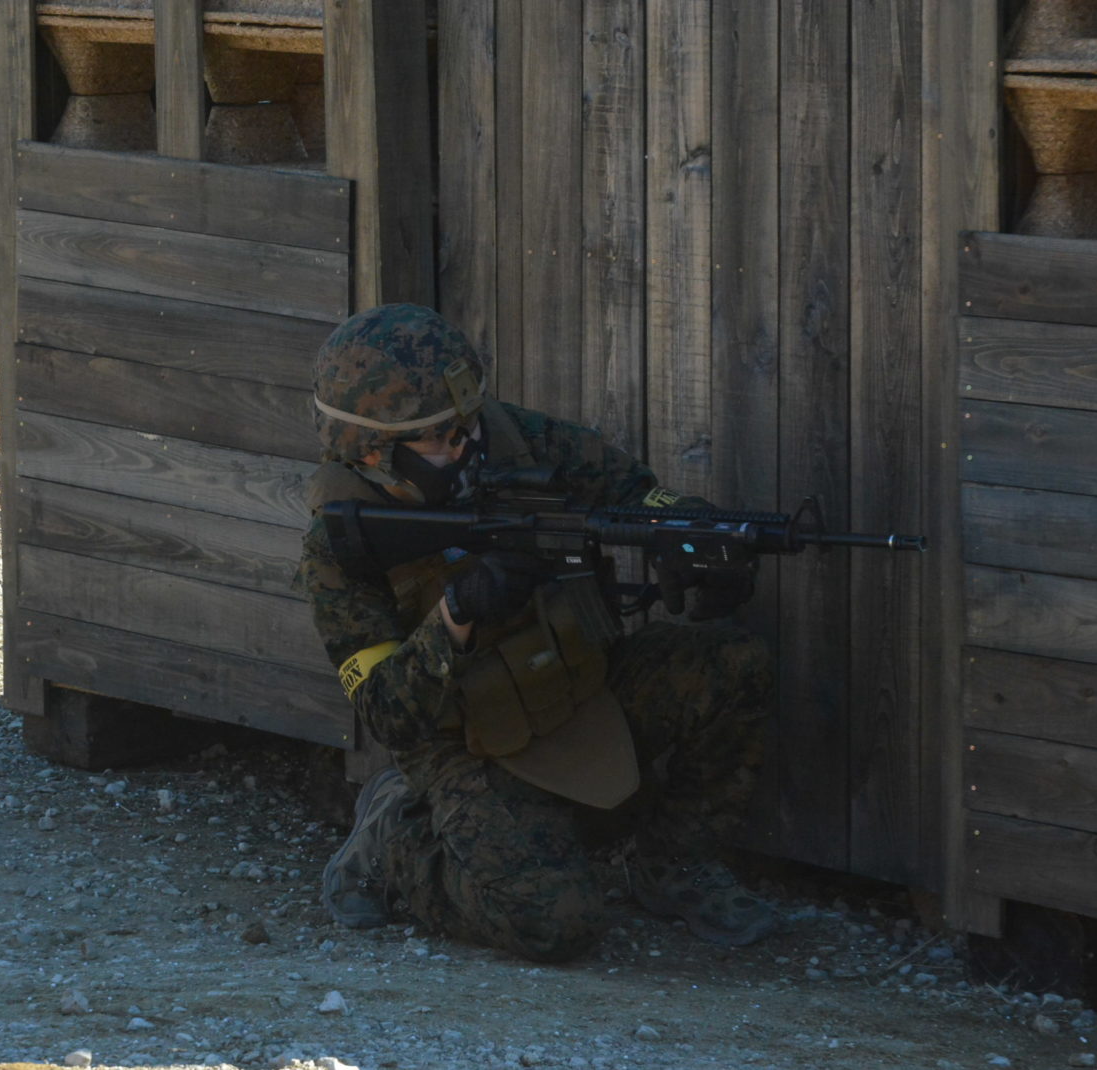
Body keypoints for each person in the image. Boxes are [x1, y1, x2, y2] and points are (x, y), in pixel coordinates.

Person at [295, 303, 776, 963]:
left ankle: (673, 864)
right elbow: (388, 714)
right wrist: (458, 613)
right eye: (441, 438)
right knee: (555, 925)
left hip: (578, 685)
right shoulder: (340, 541)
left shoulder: (513, 439)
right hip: (465, 745)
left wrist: (697, 537)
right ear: (375, 452)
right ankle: (400, 841)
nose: (468, 445)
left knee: (734, 662)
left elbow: (633, 493)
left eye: (468, 423)